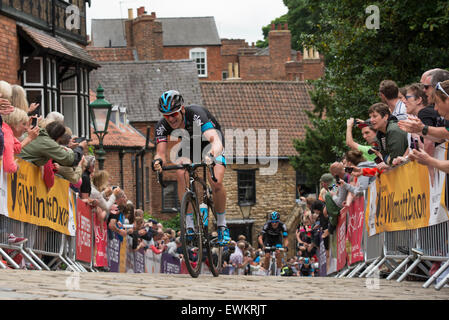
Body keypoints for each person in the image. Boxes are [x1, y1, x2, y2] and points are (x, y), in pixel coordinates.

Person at [151, 90, 230, 245]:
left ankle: (222, 225)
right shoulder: (162, 125)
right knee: (181, 171)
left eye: (173, 114)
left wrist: (212, 154)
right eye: (166, 115)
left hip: (210, 143)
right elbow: (160, 153)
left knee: (216, 182)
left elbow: (215, 141)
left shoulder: (196, 114)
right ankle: (189, 225)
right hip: (189, 146)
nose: (170, 119)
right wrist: (158, 162)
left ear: (182, 109)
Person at [19, 120, 86, 167]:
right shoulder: (47, 142)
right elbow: (70, 160)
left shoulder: (35, 133)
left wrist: (66, 147)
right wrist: (80, 147)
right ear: (60, 137)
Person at [369, 102, 409, 168]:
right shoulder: (380, 134)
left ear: (385, 116)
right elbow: (387, 159)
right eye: (370, 117)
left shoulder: (394, 130)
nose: (371, 120)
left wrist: (387, 162)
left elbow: (395, 160)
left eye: (375, 116)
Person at [1, 108, 39, 173]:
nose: (26, 128)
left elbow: (15, 148)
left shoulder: (5, 129)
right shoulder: (7, 133)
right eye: (24, 124)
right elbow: (9, 167)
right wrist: (15, 166)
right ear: (14, 123)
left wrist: (29, 138)